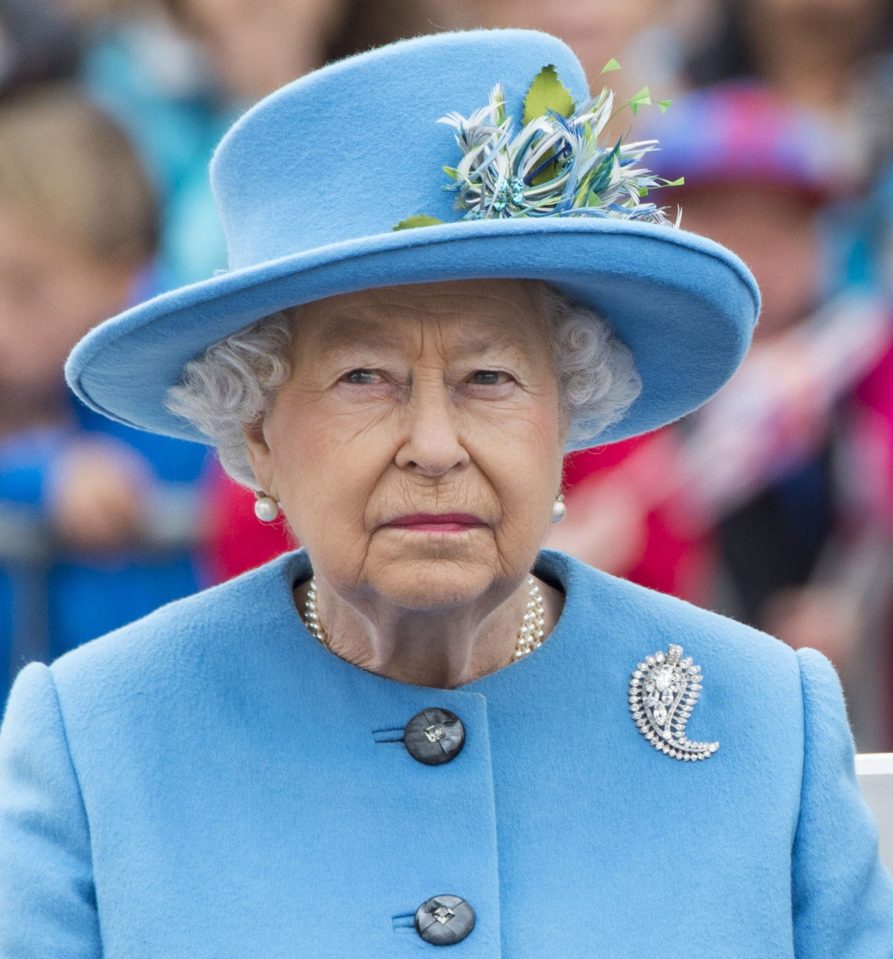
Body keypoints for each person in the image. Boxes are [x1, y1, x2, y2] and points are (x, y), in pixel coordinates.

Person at [1, 29, 891, 956]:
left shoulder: (763, 719)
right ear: (257, 433)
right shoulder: (97, 738)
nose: (433, 446)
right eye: (363, 377)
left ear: (566, 418)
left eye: (491, 378)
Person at [0, 85, 208, 702]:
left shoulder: (184, 377)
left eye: (26, 287)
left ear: (125, 274)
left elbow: (154, 486)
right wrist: (42, 478)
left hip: (137, 727)